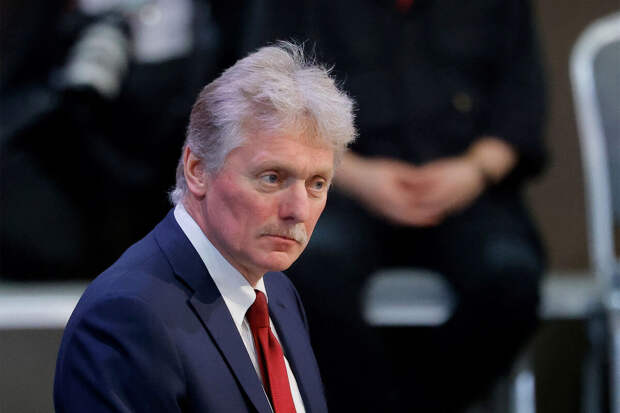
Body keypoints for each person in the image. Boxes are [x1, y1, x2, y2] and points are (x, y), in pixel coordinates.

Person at [237, 0, 548, 411]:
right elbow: (266, 104)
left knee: (511, 276)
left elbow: (521, 108)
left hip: (467, 189)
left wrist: (473, 170)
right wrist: (351, 173)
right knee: (301, 270)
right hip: (335, 186)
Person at [54, 42, 355, 413]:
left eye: (317, 184)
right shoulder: (124, 316)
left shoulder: (277, 291)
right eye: (272, 177)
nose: (298, 210)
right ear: (198, 170)